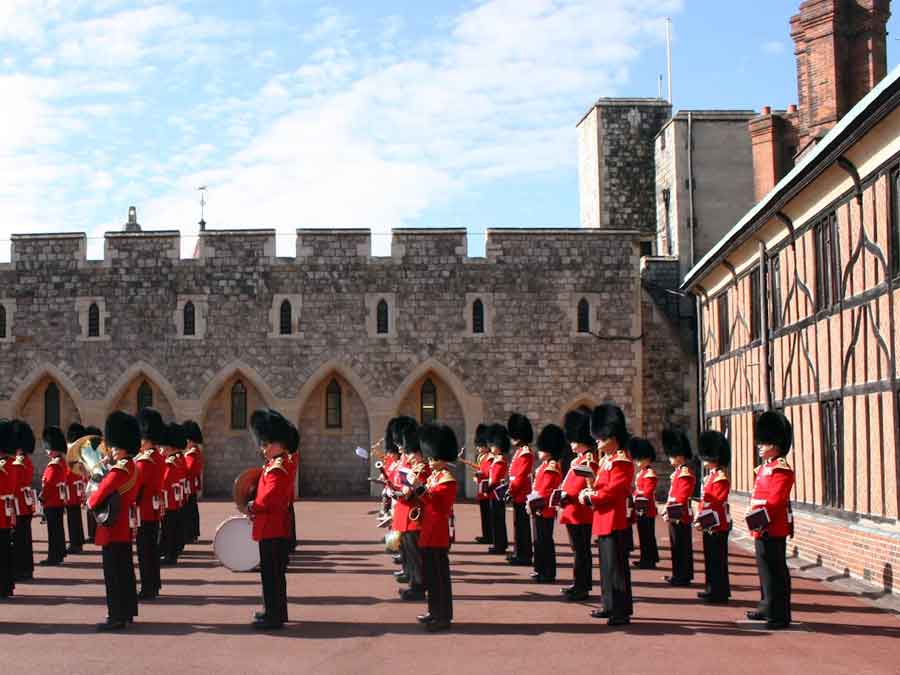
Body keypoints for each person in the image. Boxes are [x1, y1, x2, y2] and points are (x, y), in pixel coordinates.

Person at [579, 403, 634, 627]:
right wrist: (589, 490)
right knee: (606, 567)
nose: (598, 442)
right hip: (603, 519)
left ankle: (620, 610)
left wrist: (592, 497)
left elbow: (615, 491)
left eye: (601, 438)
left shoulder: (621, 461)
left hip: (614, 519)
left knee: (616, 569)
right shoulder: (606, 461)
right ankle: (609, 604)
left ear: (612, 436)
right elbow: (602, 486)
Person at [88, 411, 141, 631]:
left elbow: (97, 497)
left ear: (119, 446)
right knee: (125, 569)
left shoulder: (119, 470)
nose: (109, 450)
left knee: (114, 573)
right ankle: (127, 611)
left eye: (112, 447)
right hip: (123, 526)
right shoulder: (132, 467)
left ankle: (116, 616)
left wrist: (95, 477)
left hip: (112, 525)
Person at [246, 409, 296, 630]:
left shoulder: (277, 468)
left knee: (272, 575)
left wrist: (252, 506)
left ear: (279, 444)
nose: (263, 448)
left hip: (272, 527)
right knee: (273, 575)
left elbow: (269, 499)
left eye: (267, 444)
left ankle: (273, 616)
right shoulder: (277, 464)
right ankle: (275, 612)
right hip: (272, 526)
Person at [746, 411, 795, 630]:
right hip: (760, 525)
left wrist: (759, 520)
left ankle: (780, 614)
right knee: (764, 570)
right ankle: (766, 605)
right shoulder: (764, 468)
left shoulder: (781, 469)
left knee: (775, 572)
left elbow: (775, 501)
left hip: (771, 526)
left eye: (763, 443)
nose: (759, 446)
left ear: (775, 444)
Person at [415, 423, 459, 632]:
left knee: (440, 578)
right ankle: (434, 611)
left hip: (438, 532)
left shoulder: (448, 479)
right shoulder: (435, 476)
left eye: (433, 457)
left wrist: (420, 490)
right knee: (431, 576)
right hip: (428, 530)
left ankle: (443, 616)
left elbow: (439, 506)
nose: (429, 461)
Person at [559, 409, 598, 601]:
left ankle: (582, 587)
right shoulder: (578, 459)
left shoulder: (589, 459)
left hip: (580, 511)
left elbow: (585, 484)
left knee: (581, 551)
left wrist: (567, 495)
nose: (571, 443)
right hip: (573, 510)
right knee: (578, 550)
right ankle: (579, 583)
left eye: (574, 440)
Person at [392, 419, 430, 601]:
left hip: (414, 516)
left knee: (415, 555)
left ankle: (418, 587)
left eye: (413, 452)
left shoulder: (422, 468)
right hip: (407, 515)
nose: (411, 456)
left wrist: (403, 492)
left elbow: (410, 492)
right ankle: (414, 584)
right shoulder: (415, 466)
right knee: (410, 553)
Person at [696, 430, 732, 604]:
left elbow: (716, 504)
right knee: (710, 559)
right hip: (708, 522)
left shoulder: (720, 477)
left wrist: (703, 519)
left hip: (717, 524)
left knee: (717, 560)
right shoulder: (711, 477)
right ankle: (711, 588)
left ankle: (720, 592)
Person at [135, 408, 165, 599]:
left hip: (143, 511)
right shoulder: (158, 457)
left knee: (145, 552)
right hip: (153, 510)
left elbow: (136, 488)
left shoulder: (144, 462)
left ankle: (148, 588)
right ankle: (154, 584)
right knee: (152, 550)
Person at [530, 424, 564, 583]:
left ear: (549, 450)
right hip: (537, 507)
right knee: (538, 540)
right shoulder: (544, 466)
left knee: (545, 541)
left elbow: (546, 490)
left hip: (544, 508)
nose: (539, 452)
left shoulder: (552, 466)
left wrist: (536, 502)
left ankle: (548, 572)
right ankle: (539, 568)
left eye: (542, 449)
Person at [662, 428, 695, 587]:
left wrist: (671, 507)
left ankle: (683, 575)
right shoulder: (677, 473)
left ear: (679, 456)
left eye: (672, 455)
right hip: (674, 513)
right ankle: (678, 573)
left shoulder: (685, 473)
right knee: (676, 546)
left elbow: (682, 496)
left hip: (680, 514)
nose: (670, 458)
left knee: (681, 546)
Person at [506, 413, 534, 566]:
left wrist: (512, 490)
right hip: (517, 492)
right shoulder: (519, 452)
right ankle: (519, 552)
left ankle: (525, 555)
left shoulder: (525, 453)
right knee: (518, 524)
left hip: (522, 494)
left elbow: (521, 476)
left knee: (523, 526)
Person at [39, 426, 69, 566]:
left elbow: (49, 485)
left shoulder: (54, 465)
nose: (46, 451)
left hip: (51, 502)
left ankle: (54, 556)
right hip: (58, 501)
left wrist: (42, 498)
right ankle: (60, 552)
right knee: (58, 528)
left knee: (53, 531)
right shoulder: (61, 462)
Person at [11, 420, 36, 581]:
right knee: (25, 537)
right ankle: (26, 568)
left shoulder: (18, 462)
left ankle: (21, 569)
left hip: (17, 504)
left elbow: (12, 485)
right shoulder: (26, 460)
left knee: (19, 539)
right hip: (25, 504)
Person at [629, 436, 660, 569]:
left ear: (647, 458)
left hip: (647, 508)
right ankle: (646, 557)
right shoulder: (642, 473)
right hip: (640, 507)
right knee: (644, 535)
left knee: (647, 535)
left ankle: (649, 560)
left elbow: (647, 492)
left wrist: (635, 495)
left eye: (639, 459)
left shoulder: (650, 474)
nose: (637, 462)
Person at [159, 423, 187, 566]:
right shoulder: (178, 459)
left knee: (168, 529)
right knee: (173, 528)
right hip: (176, 499)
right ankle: (171, 552)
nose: (161, 450)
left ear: (170, 447)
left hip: (169, 500)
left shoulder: (170, 463)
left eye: (163, 447)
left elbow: (164, 483)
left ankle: (170, 555)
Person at [486, 424, 510, 554]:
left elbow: (495, 479)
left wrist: (488, 487)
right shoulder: (497, 459)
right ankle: (499, 543)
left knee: (498, 520)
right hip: (494, 493)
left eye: (493, 445)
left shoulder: (500, 460)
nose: (491, 447)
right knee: (496, 520)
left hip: (496, 493)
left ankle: (499, 545)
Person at [0, 419, 17, 598]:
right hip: (6, 512)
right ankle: (6, 585)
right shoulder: (11, 464)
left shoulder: (3, 465)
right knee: (5, 551)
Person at [182, 420, 204, 545]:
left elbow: (188, 470)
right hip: (191, 485)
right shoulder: (195, 452)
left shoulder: (192, 453)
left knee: (189, 511)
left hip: (188, 486)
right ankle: (192, 533)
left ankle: (191, 534)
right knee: (192, 509)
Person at [472, 424, 493, 545]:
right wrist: (476, 476)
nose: (478, 448)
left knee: (488, 515)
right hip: (482, 489)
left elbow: (489, 473)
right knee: (484, 514)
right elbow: (480, 470)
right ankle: (486, 535)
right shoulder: (481, 457)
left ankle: (490, 536)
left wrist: (480, 476)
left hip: (487, 490)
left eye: (480, 446)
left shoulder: (490, 458)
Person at [64, 448, 85, 555]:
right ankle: (78, 542)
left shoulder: (71, 465)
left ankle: (75, 544)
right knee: (76, 519)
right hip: (75, 494)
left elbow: (67, 478)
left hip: (71, 495)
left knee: (72, 521)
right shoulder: (78, 464)